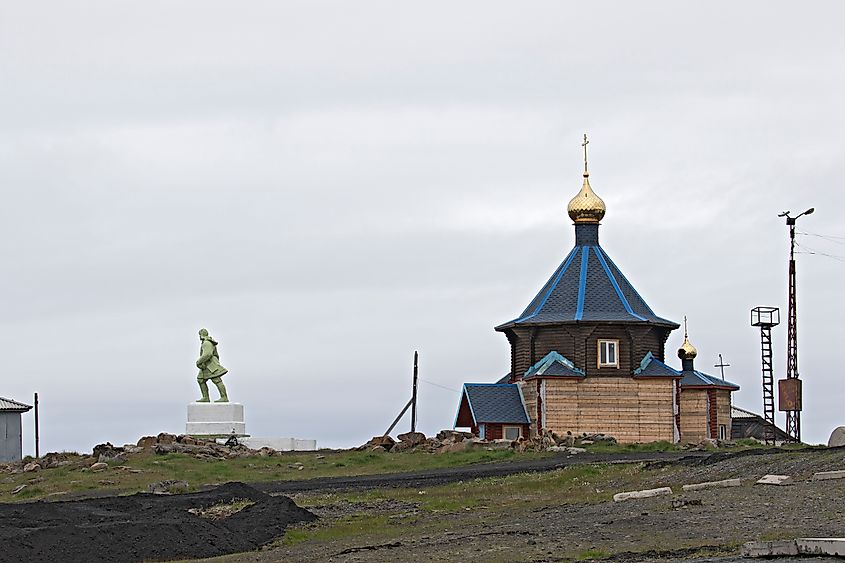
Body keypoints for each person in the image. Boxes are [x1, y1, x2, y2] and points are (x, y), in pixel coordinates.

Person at [196, 328, 229, 402]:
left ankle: (224, 397)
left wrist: (198, 362)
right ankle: (205, 397)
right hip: (205, 365)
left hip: (210, 364)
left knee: (216, 380)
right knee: (200, 379)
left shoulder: (206, 343)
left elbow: (207, 354)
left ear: (201, 335)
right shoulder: (207, 342)